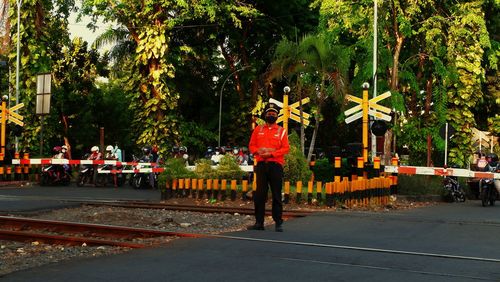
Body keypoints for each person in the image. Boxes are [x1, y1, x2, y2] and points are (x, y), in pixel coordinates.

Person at [247, 103, 290, 232]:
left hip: (275, 165)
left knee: (277, 194)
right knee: (260, 194)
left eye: (273, 114)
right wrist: (258, 152)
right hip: (261, 165)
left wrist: (271, 154)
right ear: (265, 115)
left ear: (277, 116)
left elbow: (286, 148)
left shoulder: (281, 131)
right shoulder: (258, 129)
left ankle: (278, 223)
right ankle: (259, 223)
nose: (271, 115)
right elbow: (251, 145)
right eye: (269, 113)